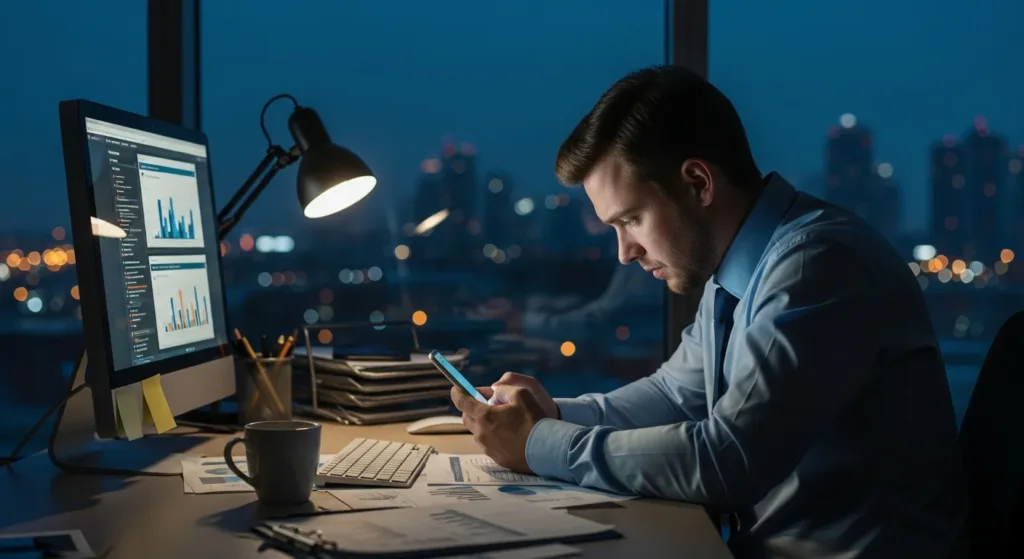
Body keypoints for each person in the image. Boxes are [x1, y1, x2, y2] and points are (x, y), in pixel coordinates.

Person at [450, 65, 968, 558]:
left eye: (630, 220)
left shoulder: (817, 265)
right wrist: (555, 414)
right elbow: (675, 395)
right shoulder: (738, 269)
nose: (623, 252)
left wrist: (540, 443)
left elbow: (729, 459)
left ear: (698, 183)